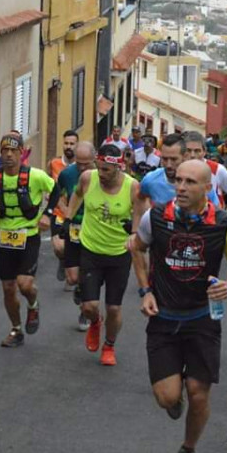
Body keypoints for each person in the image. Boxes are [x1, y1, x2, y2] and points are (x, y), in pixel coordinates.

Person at [129, 160, 227, 453]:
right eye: (178, 181)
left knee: (198, 392)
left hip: (202, 318)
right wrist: (145, 291)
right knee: (167, 397)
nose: (180, 187)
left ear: (208, 188)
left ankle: (188, 448)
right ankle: (173, 393)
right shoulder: (155, 217)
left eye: (190, 182)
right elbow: (137, 247)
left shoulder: (223, 224)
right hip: (164, 318)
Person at [66, 144, 144, 366]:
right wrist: (68, 218)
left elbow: (140, 213)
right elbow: (77, 195)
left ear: (119, 168)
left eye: (106, 171)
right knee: (89, 306)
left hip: (118, 254)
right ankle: (95, 322)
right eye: (99, 168)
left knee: (113, 307)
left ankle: (109, 345)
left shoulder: (132, 187)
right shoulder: (88, 178)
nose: (101, 174)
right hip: (90, 249)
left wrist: (134, 232)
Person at [0, 134, 55, 347]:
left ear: (22, 152)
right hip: (5, 238)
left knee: (25, 284)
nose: (9, 155)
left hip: (29, 235)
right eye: (5, 151)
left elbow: (56, 190)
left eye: (13, 151)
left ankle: (33, 302)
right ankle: (16, 329)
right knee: (8, 288)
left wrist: (48, 213)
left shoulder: (36, 176)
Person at [46, 142, 98, 331]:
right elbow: (56, 194)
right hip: (73, 226)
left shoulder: (102, 174)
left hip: (94, 229)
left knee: (88, 270)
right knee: (73, 278)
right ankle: (78, 287)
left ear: (95, 159)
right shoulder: (68, 174)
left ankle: (85, 311)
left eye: (87, 163)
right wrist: (66, 210)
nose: (82, 167)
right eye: (79, 163)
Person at [139, 134, 222, 209]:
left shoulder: (200, 183)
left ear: (185, 156)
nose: (168, 165)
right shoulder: (150, 180)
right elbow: (140, 200)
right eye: (164, 159)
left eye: (174, 159)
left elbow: (217, 212)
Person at [182, 131, 227, 217]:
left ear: (204, 151)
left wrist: (226, 218)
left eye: (197, 151)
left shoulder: (217, 169)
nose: (192, 155)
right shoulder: (178, 170)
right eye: (188, 150)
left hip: (213, 224)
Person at [48, 131, 79, 283]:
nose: (69, 147)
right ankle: (63, 260)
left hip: (76, 214)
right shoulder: (54, 163)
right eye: (66, 143)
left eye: (72, 144)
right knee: (59, 247)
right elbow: (50, 187)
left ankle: (74, 275)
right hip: (59, 212)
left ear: (77, 146)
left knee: (75, 246)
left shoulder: (82, 167)